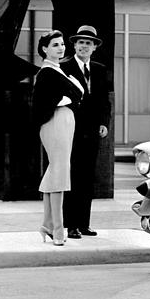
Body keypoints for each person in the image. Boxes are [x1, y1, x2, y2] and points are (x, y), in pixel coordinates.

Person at [32, 30, 84, 246]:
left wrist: (70, 95)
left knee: (57, 170)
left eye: (62, 44)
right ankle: (57, 227)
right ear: (44, 49)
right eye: (55, 45)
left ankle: (48, 224)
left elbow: (77, 93)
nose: (61, 48)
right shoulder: (46, 73)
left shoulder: (58, 71)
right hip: (55, 123)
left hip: (63, 122)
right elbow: (63, 97)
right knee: (60, 171)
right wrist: (68, 96)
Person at [61, 25, 110, 239]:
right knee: (73, 176)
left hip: (92, 131)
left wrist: (104, 122)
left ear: (94, 48)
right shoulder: (64, 66)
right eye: (80, 42)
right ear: (74, 45)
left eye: (88, 43)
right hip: (71, 130)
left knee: (87, 178)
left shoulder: (99, 69)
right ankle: (70, 225)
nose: (84, 46)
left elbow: (104, 101)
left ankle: (84, 224)